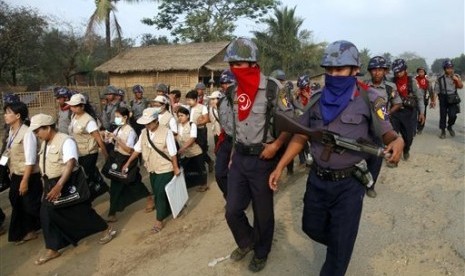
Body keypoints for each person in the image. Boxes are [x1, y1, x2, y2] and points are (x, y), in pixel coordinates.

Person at [269, 40, 405, 276]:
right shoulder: (317, 97)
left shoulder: (369, 98)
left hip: (349, 184)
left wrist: (397, 140)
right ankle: (339, 244)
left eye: (340, 70)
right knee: (310, 227)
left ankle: (339, 252)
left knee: (337, 257)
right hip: (317, 179)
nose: (333, 75)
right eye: (329, 70)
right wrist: (280, 166)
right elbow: (301, 135)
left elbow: (387, 132)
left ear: (354, 70)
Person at [223, 37, 291, 272]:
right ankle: (247, 241)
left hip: (263, 158)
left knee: (263, 213)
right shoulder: (233, 90)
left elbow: (291, 122)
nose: (234, 69)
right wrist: (233, 153)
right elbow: (236, 125)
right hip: (240, 158)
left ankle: (262, 252)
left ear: (252, 63)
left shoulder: (273, 88)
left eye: (238, 64)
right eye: (231, 65)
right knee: (232, 210)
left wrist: (276, 145)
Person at [30, 114, 116, 265]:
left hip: (66, 182)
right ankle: (53, 248)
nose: (36, 134)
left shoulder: (66, 140)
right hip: (51, 183)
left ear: (48, 128)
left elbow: (70, 163)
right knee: (46, 214)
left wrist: (59, 185)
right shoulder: (45, 143)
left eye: (38, 131)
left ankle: (106, 229)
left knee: (80, 210)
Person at [122, 108, 180, 233]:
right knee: (158, 191)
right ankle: (170, 209)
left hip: (165, 168)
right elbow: (137, 149)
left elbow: (173, 152)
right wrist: (127, 163)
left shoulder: (166, 132)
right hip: (152, 168)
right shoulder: (143, 133)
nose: (147, 125)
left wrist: (175, 168)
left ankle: (159, 220)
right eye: (145, 123)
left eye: (149, 123)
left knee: (159, 194)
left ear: (156, 120)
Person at [3, 101, 42, 244]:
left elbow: (30, 160)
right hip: (16, 174)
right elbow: (8, 152)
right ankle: (29, 230)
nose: (5, 116)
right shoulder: (12, 132)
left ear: (18, 115)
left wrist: (25, 181)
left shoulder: (27, 133)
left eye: (8, 113)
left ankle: (53, 224)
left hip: (29, 176)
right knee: (17, 202)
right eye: (5, 112)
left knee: (31, 205)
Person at [365, 56, 402, 197]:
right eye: (374, 70)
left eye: (380, 70)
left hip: (379, 129)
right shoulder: (363, 86)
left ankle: (370, 185)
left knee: (376, 158)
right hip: (362, 126)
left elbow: (397, 103)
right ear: (370, 71)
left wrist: (386, 114)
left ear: (385, 71)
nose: (377, 73)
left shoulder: (389, 88)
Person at [106, 107, 150, 222]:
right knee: (116, 185)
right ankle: (112, 212)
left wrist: (117, 140)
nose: (116, 119)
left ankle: (149, 198)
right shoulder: (119, 128)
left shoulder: (130, 131)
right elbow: (111, 141)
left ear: (125, 117)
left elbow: (130, 150)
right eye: (115, 117)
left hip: (126, 160)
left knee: (133, 183)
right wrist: (108, 136)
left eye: (118, 117)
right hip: (117, 159)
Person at [67, 94, 109, 194]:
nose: (72, 108)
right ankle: (104, 188)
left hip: (89, 152)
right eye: (72, 106)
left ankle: (90, 195)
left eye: (75, 106)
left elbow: (98, 139)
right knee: (92, 173)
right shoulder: (74, 117)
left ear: (82, 106)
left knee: (87, 176)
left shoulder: (89, 121)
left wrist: (106, 156)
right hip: (79, 152)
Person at [390, 59, 425, 160]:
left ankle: (406, 149)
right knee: (392, 135)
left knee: (409, 137)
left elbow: (419, 97)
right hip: (395, 112)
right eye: (396, 72)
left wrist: (422, 113)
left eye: (400, 71)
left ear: (405, 70)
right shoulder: (391, 81)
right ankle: (393, 156)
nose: (398, 73)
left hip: (409, 113)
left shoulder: (412, 81)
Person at [215, 69, 236, 199]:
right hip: (227, 140)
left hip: (241, 142)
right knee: (219, 173)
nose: (225, 85)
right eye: (223, 83)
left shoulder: (243, 100)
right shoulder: (221, 102)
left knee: (238, 173)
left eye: (229, 82)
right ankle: (230, 197)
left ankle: (238, 200)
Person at [176, 107, 208, 191]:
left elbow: (192, 138)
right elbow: (177, 137)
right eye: (178, 116)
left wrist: (182, 148)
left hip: (195, 151)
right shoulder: (178, 126)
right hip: (186, 153)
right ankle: (191, 184)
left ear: (187, 116)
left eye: (182, 115)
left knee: (200, 168)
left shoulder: (192, 124)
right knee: (187, 169)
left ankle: (204, 185)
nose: (180, 117)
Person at [431, 59, 463, 138]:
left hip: (453, 98)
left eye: (451, 68)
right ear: (444, 69)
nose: (450, 70)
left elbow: (461, 86)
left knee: (453, 115)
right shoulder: (440, 78)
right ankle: (443, 131)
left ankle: (450, 126)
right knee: (443, 115)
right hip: (443, 98)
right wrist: (433, 101)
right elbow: (436, 91)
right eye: (448, 68)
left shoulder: (456, 76)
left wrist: (456, 80)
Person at [185, 90, 214, 172]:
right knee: (194, 149)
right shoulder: (187, 108)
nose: (188, 102)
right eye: (187, 100)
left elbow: (207, 119)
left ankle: (208, 162)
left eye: (190, 100)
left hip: (200, 131)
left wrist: (197, 123)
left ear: (195, 99)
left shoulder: (202, 107)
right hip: (190, 131)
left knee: (201, 150)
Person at [415, 67, 432, 134]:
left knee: (422, 112)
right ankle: (414, 126)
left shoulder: (427, 80)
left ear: (424, 72)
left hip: (424, 98)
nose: (421, 73)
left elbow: (430, 90)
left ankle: (420, 128)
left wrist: (432, 99)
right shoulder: (415, 79)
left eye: (422, 72)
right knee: (414, 113)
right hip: (415, 98)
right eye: (419, 72)